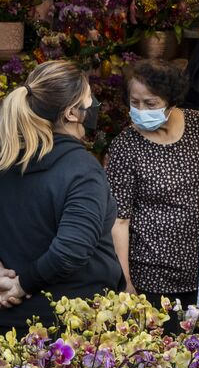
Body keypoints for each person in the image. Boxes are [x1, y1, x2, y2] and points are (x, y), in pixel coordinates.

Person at [0, 60, 122, 332]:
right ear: (71, 113)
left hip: (11, 329)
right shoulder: (82, 169)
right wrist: (20, 285)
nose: (94, 106)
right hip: (68, 332)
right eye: (89, 100)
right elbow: (71, 250)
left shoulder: (6, 159)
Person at [105, 60, 199, 323]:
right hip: (151, 277)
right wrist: (126, 282)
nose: (141, 110)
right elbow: (119, 221)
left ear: (171, 100)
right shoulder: (125, 147)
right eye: (135, 102)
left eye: (150, 103)